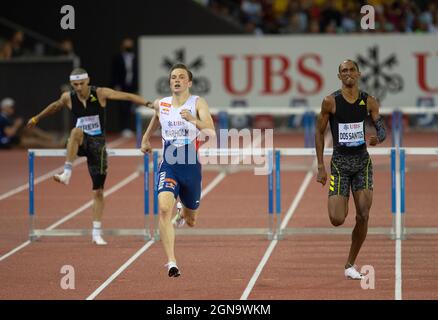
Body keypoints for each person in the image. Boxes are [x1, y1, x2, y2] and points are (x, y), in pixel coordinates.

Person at [27, 68, 153, 245]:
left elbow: (127, 96)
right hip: (81, 141)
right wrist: (36, 118)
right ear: (72, 84)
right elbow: (54, 107)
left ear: (88, 81)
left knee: (98, 191)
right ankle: (67, 173)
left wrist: (149, 104)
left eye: (81, 84)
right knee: (76, 131)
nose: (78, 87)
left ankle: (96, 232)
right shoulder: (68, 97)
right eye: (75, 84)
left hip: (98, 145)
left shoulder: (100, 93)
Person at [140, 63, 215, 277]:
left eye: (181, 77)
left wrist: (192, 119)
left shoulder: (197, 102)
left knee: (192, 221)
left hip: (191, 166)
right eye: (173, 77)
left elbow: (210, 129)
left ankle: (184, 214)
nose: (177, 80)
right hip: (169, 164)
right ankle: (172, 262)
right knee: (164, 208)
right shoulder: (162, 104)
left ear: (189, 82)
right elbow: (157, 119)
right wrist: (146, 138)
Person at [315, 59, 386, 280]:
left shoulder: (369, 101)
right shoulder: (330, 102)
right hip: (339, 165)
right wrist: (320, 165)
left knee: (363, 215)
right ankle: (342, 197)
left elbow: (382, 129)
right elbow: (319, 132)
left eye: (351, 70)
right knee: (337, 219)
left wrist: (378, 139)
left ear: (358, 74)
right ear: (339, 76)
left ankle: (350, 263)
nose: (348, 74)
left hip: (362, 163)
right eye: (344, 71)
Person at [111, 38, 138, 137]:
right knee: (122, 107)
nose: (128, 47)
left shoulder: (134, 57)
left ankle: (131, 127)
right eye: (126, 45)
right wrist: (116, 85)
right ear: (122, 46)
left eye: (130, 45)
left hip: (132, 86)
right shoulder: (117, 57)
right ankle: (123, 128)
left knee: (131, 107)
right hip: (121, 86)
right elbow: (114, 72)